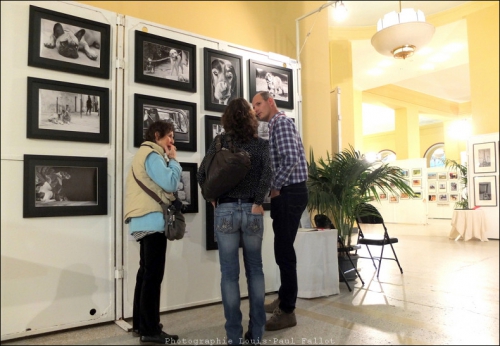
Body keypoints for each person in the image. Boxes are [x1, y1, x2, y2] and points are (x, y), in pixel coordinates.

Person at [197, 98, 272, 345]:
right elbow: (267, 176)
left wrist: (213, 198)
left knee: (229, 275)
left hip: (226, 209)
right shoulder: (261, 145)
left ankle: (233, 337)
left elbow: (201, 174)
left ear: (227, 118)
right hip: (253, 209)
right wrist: (258, 201)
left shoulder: (219, 143)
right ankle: (257, 334)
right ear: (251, 118)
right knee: (256, 270)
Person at [251, 91, 308, 331]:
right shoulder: (275, 125)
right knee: (282, 249)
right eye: (253, 106)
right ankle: (284, 300)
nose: (255, 109)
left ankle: (287, 311)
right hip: (289, 193)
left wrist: (275, 187)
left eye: (259, 104)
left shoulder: (281, 123)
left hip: (289, 193)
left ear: (270, 102)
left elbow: (290, 158)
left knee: (284, 252)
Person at [124, 120, 182, 345]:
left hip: (142, 220)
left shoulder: (143, 154)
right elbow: (169, 183)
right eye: (169, 136)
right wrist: (175, 162)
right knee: (152, 276)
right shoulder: (152, 155)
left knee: (145, 273)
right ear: (157, 134)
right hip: (153, 220)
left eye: (173, 138)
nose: (172, 141)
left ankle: (141, 323)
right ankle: (150, 331)